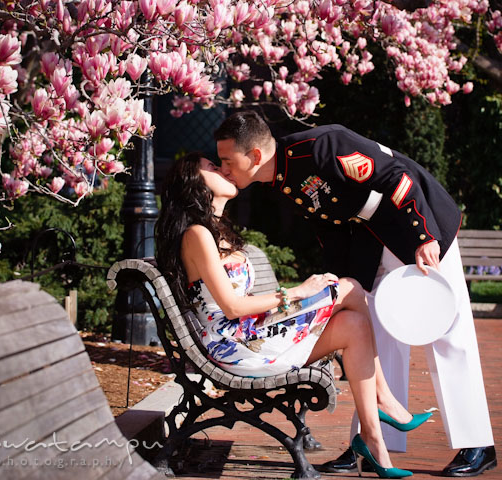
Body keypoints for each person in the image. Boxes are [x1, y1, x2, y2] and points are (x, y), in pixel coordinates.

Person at [213, 111, 496, 477]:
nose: (222, 170)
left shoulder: (321, 146)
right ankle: (372, 443)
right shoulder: (283, 178)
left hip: (414, 225)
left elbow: (396, 175)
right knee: (374, 333)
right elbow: (330, 227)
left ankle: (477, 443)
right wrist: (343, 279)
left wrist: (424, 233)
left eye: (226, 161)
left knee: (447, 332)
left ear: (253, 155)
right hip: (371, 243)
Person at [155, 152, 432, 479]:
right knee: (351, 288)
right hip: (234, 346)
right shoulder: (197, 235)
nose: (224, 169)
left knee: (354, 324)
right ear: (194, 183)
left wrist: (294, 301)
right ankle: (385, 402)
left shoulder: (218, 233)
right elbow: (231, 308)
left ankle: (373, 441)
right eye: (213, 167)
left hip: (253, 335)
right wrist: (298, 293)